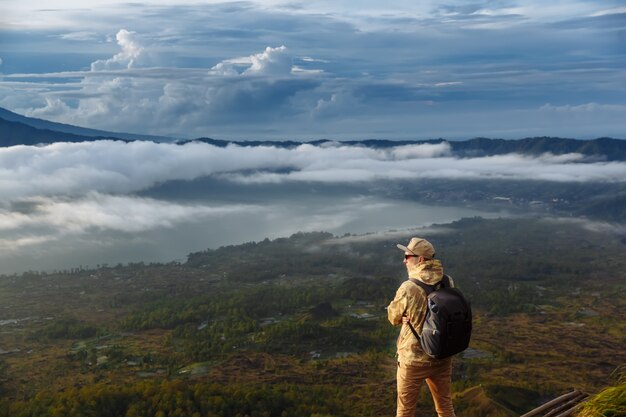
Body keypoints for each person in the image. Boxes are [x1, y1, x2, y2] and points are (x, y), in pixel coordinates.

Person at [387, 237, 456, 417]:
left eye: (408, 256)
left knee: (405, 411)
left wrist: (403, 316)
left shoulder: (409, 287)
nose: (404, 260)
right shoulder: (447, 281)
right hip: (441, 355)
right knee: (445, 408)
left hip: (413, 359)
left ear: (421, 260)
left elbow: (393, 317)